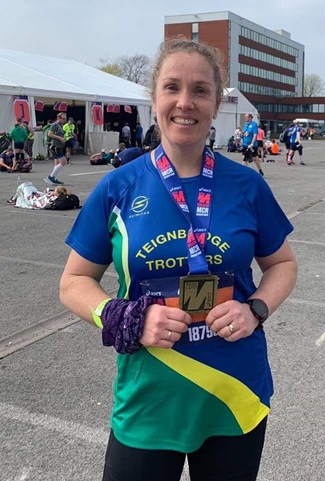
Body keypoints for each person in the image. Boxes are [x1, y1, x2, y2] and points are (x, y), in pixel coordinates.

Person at [60, 38, 297, 481]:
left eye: (200, 90)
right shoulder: (119, 187)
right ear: (155, 100)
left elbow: (282, 265)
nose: (184, 102)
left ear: (215, 104)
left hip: (234, 392)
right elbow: (73, 282)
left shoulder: (247, 186)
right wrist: (119, 315)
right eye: (172, 87)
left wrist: (256, 310)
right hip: (149, 397)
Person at [44, 112, 67, 185]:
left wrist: (63, 138)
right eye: (63, 118)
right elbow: (50, 134)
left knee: (57, 163)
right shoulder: (55, 125)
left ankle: (53, 178)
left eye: (65, 119)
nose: (64, 120)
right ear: (58, 118)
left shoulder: (60, 125)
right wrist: (59, 138)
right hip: (56, 146)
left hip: (59, 145)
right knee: (63, 162)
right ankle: (50, 177)